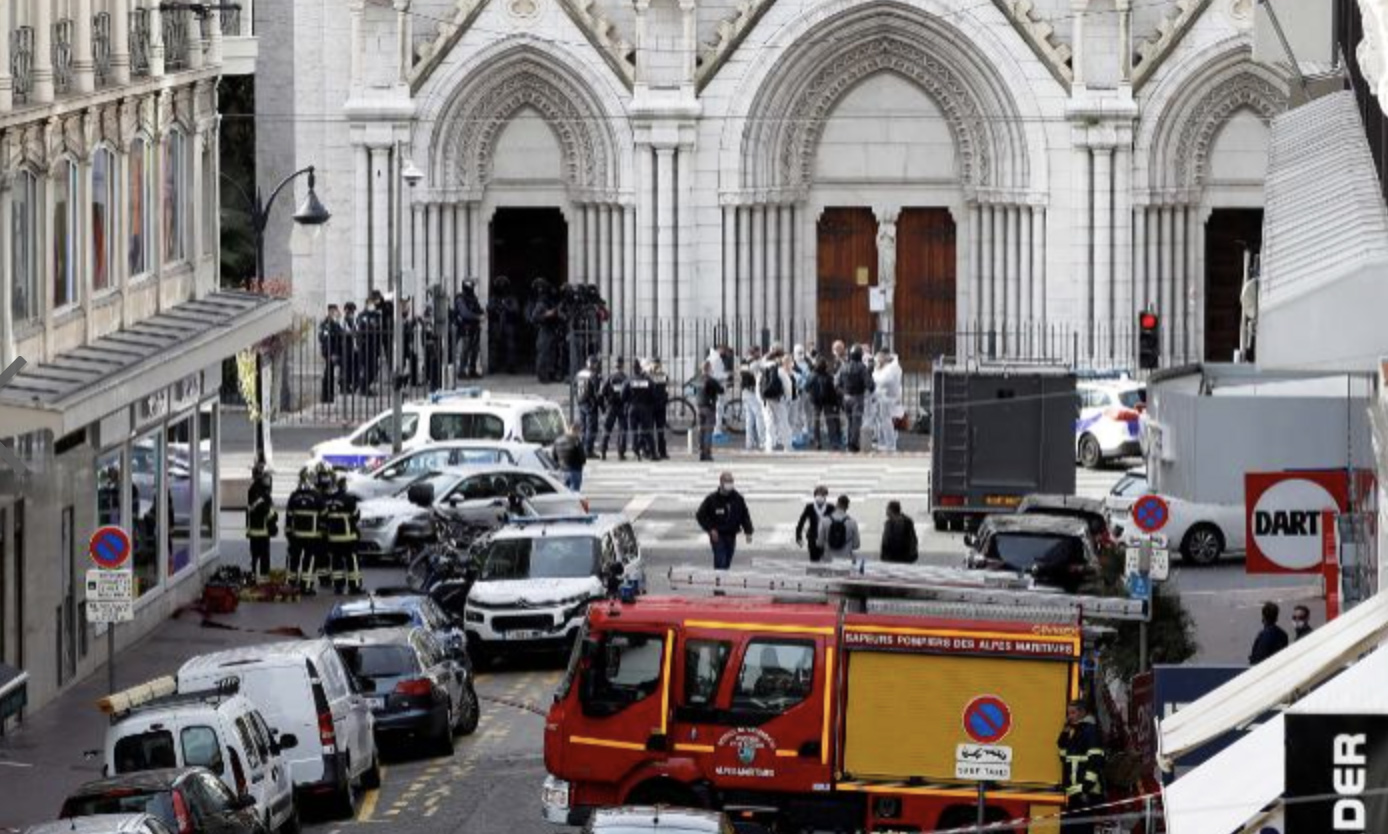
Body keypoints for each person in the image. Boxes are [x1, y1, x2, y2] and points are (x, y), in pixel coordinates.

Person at [1058, 700, 1106, 834]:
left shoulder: (1090, 730)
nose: (1069, 717)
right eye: (1068, 713)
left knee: (1082, 829)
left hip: (1086, 792)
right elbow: (1063, 756)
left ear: (1083, 712)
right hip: (1075, 790)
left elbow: (1095, 760)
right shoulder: (1076, 731)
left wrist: (1085, 787)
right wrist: (1064, 733)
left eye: (1073, 713)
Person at [696, 472, 754, 571]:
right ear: (721, 482)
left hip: (731, 535)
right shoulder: (712, 499)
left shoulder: (738, 498)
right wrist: (710, 529)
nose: (729, 483)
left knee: (727, 562)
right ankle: (719, 585)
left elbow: (744, 515)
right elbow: (700, 515)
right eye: (727, 481)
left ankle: (720, 583)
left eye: (731, 481)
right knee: (720, 561)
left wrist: (748, 531)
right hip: (718, 536)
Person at [285, 467, 324, 594]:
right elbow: (324, 516)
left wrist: (289, 533)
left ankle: (290, 584)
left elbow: (289, 516)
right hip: (312, 537)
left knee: (294, 560)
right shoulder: (317, 496)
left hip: (296, 536)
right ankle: (306, 586)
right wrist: (322, 533)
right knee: (309, 561)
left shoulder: (294, 496)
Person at [323, 475, 363, 595]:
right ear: (343, 486)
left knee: (336, 562)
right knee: (352, 561)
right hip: (349, 537)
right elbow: (356, 515)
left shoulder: (327, 500)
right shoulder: (349, 499)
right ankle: (354, 586)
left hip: (333, 538)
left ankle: (338, 587)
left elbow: (324, 517)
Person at [836, 347, 875, 453]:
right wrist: (871, 387)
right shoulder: (862, 368)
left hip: (846, 397)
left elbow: (836, 383)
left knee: (849, 421)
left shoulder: (843, 367)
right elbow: (869, 383)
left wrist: (843, 394)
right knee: (856, 422)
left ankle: (849, 442)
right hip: (858, 397)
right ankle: (853, 444)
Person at [245, 463, 277, 583]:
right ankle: (263, 579)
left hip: (256, 530)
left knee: (255, 555)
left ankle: (254, 576)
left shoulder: (255, 490)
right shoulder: (260, 493)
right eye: (267, 477)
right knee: (263, 556)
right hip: (261, 530)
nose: (269, 480)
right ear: (260, 477)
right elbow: (264, 510)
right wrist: (274, 518)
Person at [528, 280, 564, 383]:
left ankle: (550, 374)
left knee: (552, 354)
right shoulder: (541, 302)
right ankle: (543, 376)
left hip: (552, 330)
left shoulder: (549, 300)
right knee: (543, 354)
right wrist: (547, 314)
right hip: (545, 330)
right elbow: (534, 318)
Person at [487, 276, 522, 375]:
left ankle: (511, 366)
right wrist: (497, 307)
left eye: (503, 285)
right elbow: (489, 308)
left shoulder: (511, 298)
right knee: (494, 346)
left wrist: (505, 306)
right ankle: (492, 366)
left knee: (510, 346)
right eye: (499, 285)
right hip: (496, 324)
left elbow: (516, 309)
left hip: (508, 324)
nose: (501, 287)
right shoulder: (494, 298)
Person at [806, 357, 842, 451]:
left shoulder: (812, 375)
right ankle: (833, 441)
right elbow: (832, 391)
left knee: (816, 421)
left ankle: (817, 441)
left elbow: (806, 387)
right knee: (830, 422)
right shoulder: (828, 376)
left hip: (816, 401)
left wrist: (812, 394)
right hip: (828, 401)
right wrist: (835, 402)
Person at [624, 359, 658, 461]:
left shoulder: (629, 380)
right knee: (647, 431)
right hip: (645, 408)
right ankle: (652, 453)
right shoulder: (648, 380)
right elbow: (654, 394)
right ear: (640, 369)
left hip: (632, 408)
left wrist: (629, 401)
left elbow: (623, 395)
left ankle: (636, 452)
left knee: (634, 431)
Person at [759, 348, 791, 453]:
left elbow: (758, 387)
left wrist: (761, 400)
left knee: (769, 422)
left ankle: (769, 445)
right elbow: (788, 386)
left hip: (766, 400)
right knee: (783, 422)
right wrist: (788, 398)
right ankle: (786, 445)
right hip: (778, 399)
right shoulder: (779, 370)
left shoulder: (762, 371)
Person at [818, 494, 862, 569]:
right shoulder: (852, 522)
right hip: (846, 561)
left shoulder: (825, 520)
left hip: (828, 560)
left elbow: (820, 543)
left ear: (837, 504)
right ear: (847, 507)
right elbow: (856, 545)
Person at [599, 357, 630, 461]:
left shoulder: (610, 378)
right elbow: (629, 393)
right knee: (622, 430)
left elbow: (602, 393)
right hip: (622, 407)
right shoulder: (625, 378)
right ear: (622, 365)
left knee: (607, 429)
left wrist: (603, 407)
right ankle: (621, 453)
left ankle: (603, 452)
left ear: (615, 365)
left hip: (611, 406)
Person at [872, 350, 903, 452]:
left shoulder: (892, 368)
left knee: (886, 422)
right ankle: (883, 442)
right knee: (881, 421)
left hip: (887, 399)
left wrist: (876, 373)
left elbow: (885, 380)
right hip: (883, 398)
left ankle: (889, 444)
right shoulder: (888, 367)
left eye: (878, 358)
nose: (877, 361)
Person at [453, 279, 484, 379]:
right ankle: (462, 371)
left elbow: (478, 309)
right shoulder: (460, 298)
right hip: (464, 328)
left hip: (474, 328)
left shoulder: (473, 298)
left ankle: (472, 369)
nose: (473, 288)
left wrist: (482, 313)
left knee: (475, 349)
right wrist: (477, 317)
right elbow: (464, 313)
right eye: (472, 286)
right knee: (465, 350)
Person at [694, 361, 723, 462]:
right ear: (709, 369)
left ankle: (701, 452)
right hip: (709, 407)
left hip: (699, 406)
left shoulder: (698, 379)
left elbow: (694, 391)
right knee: (708, 431)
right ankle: (707, 454)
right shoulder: (711, 380)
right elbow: (721, 390)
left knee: (701, 431)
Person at [575, 355, 603, 456]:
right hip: (590, 404)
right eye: (596, 364)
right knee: (591, 428)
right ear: (593, 364)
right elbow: (597, 393)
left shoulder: (579, 374)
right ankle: (589, 450)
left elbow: (575, 387)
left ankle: (582, 448)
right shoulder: (593, 375)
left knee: (583, 427)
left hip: (581, 402)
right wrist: (601, 406)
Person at [796, 486, 831, 563]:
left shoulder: (830, 508)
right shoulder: (810, 507)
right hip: (812, 537)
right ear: (815, 496)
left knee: (826, 560)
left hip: (826, 538)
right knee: (814, 560)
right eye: (818, 495)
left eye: (822, 495)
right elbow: (801, 522)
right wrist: (798, 537)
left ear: (825, 496)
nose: (820, 497)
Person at [740, 349, 765, 451]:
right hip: (752, 392)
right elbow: (754, 375)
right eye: (758, 353)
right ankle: (762, 441)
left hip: (745, 392)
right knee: (759, 416)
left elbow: (744, 374)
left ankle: (749, 443)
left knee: (749, 419)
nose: (759, 354)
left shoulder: (744, 362)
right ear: (754, 353)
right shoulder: (754, 363)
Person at [318, 305, 343, 404]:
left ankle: (329, 395)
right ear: (329, 312)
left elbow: (340, 335)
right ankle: (326, 396)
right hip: (330, 353)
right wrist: (331, 353)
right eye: (333, 312)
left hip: (335, 352)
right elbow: (325, 340)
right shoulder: (326, 324)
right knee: (328, 374)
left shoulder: (334, 323)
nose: (335, 314)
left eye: (336, 312)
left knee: (330, 373)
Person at [552, 424, 588, 492]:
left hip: (562, 470)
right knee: (574, 494)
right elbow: (582, 457)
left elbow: (554, 456)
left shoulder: (558, 440)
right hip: (575, 470)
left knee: (563, 493)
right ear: (576, 431)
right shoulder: (576, 441)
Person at [649, 358, 671, 460]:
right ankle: (658, 452)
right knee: (656, 430)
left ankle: (658, 451)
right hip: (656, 406)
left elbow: (666, 389)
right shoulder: (662, 375)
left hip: (655, 406)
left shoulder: (650, 376)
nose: (657, 366)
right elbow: (666, 390)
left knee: (658, 431)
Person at [341, 302, 360, 394]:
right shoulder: (344, 320)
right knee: (346, 368)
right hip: (347, 348)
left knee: (355, 368)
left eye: (353, 311)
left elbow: (356, 331)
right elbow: (347, 332)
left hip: (355, 347)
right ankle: (345, 386)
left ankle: (354, 385)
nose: (352, 313)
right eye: (351, 311)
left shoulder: (354, 320)